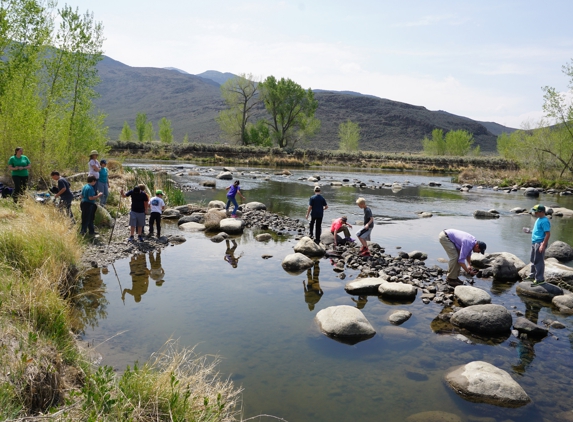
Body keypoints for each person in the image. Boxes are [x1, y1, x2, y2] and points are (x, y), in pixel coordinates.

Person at [524, 204, 551, 285]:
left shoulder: (545, 221)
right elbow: (538, 231)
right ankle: (532, 275)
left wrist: (543, 245)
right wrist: (530, 231)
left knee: (538, 261)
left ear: (542, 212)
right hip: (534, 242)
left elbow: (547, 234)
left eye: (536, 212)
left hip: (540, 243)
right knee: (532, 260)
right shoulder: (538, 219)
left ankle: (540, 279)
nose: (534, 214)